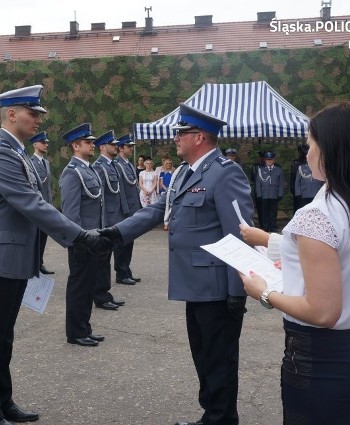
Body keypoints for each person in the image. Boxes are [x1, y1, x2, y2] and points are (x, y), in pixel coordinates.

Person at [240, 101, 350, 424]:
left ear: (330, 151)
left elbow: (324, 312)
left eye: (310, 144)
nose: (307, 152)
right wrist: (269, 239)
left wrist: (264, 292)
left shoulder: (316, 215)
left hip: (324, 365)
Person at [0, 85, 111, 425]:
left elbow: (36, 202)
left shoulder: (16, 152)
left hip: (9, 259)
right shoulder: (1, 152)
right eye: (33, 113)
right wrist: (80, 237)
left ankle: (3, 402)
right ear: (11, 114)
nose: (38, 119)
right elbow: (31, 204)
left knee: (3, 337)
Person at [99, 103, 254, 425]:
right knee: (204, 356)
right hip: (194, 285)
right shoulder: (186, 173)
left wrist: (237, 292)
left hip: (217, 290)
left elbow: (240, 234)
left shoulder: (225, 173)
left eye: (181, 133)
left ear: (199, 137)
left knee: (219, 359)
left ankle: (221, 418)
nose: (176, 139)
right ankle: (212, 415)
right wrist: (114, 234)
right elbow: (156, 211)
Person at [59, 123, 105, 346]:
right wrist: (78, 240)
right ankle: (75, 332)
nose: (92, 144)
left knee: (88, 286)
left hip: (93, 238)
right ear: (76, 146)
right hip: (81, 240)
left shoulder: (89, 168)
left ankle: (84, 327)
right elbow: (70, 212)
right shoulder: (72, 172)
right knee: (79, 286)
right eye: (88, 142)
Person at [93, 130, 132, 300]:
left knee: (109, 255)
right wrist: (103, 221)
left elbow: (120, 192)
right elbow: (99, 198)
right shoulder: (99, 167)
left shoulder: (112, 165)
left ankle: (104, 292)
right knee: (103, 257)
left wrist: (126, 212)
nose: (115, 147)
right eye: (112, 144)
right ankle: (101, 293)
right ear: (103, 147)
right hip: (108, 218)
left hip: (118, 215)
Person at [113, 134, 142, 284]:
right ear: (120, 148)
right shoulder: (117, 164)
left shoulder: (129, 164)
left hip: (133, 209)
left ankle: (127, 270)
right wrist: (125, 210)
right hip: (125, 211)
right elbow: (121, 191)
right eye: (129, 146)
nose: (131, 149)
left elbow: (134, 188)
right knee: (121, 243)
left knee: (129, 241)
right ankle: (121, 273)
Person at [29, 131, 55, 275]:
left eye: (46, 143)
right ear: (35, 144)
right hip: (36, 206)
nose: (46, 145)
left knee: (43, 236)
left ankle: (39, 263)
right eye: (43, 142)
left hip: (46, 205)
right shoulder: (30, 162)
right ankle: (32, 264)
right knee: (35, 237)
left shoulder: (46, 162)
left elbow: (47, 186)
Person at [255, 151, 283, 232]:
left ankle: (272, 226)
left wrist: (280, 194)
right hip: (264, 194)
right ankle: (265, 226)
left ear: (274, 160)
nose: (269, 161)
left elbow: (281, 183)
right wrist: (259, 194)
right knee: (264, 211)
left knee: (273, 211)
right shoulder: (261, 170)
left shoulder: (278, 170)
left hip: (274, 194)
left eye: (271, 159)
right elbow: (258, 183)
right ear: (265, 160)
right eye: (267, 159)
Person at [293, 144, 323, 212]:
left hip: (316, 194)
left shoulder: (319, 167)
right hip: (304, 194)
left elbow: (322, 182)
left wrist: (321, 193)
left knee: (315, 211)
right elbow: (297, 182)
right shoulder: (301, 168)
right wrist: (298, 193)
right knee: (305, 211)